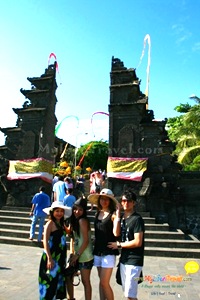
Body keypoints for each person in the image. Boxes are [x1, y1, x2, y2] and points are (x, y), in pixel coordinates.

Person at [108, 190, 145, 300]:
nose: (126, 203)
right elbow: (116, 233)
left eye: (129, 201)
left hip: (134, 260)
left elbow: (138, 242)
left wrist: (119, 245)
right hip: (124, 259)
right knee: (128, 293)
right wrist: (118, 216)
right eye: (123, 201)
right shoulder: (122, 218)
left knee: (130, 295)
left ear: (134, 203)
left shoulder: (137, 219)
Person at [88, 188, 119, 300]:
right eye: (102, 199)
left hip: (108, 251)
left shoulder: (113, 214)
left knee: (105, 283)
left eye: (107, 199)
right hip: (98, 250)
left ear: (110, 201)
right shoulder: (98, 213)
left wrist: (118, 217)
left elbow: (116, 232)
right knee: (101, 282)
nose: (104, 201)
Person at [38, 201, 72, 300]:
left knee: (57, 282)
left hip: (60, 257)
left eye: (61, 211)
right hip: (52, 257)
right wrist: (49, 258)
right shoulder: (50, 223)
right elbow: (45, 241)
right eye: (57, 211)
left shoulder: (60, 223)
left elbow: (68, 232)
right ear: (52, 212)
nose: (59, 213)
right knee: (50, 283)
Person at [66, 197, 94, 300]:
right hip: (77, 255)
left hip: (85, 256)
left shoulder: (82, 220)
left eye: (80, 210)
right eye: (75, 209)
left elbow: (86, 241)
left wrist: (77, 255)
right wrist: (72, 253)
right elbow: (73, 238)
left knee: (85, 282)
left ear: (84, 211)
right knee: (68, 276)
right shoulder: (75, 221)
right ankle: (71, 298)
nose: (77, 212)